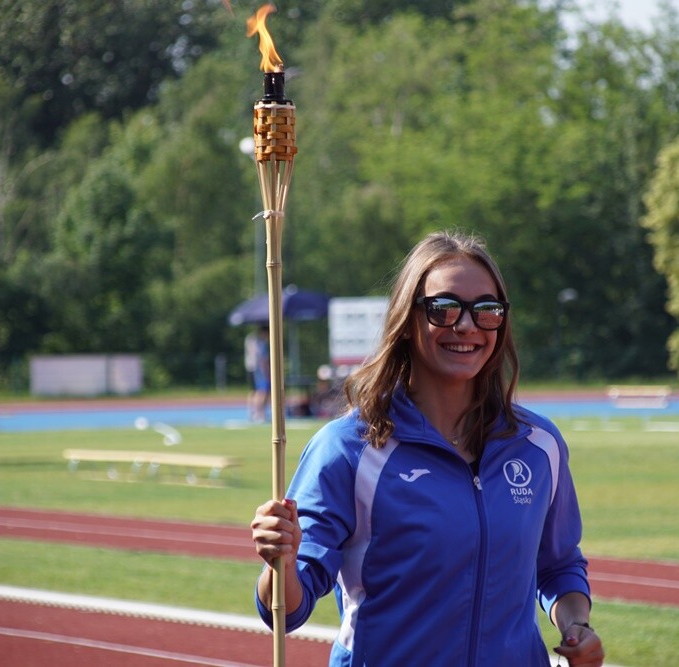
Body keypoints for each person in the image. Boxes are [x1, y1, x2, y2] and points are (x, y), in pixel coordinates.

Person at [250, 231, 604, 666]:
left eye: (487, 310)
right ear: (407, 319)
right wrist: (281, 561)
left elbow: (558, 565)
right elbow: (285, 610)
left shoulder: (538, 444)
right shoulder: (348, 448)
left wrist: (576, 625)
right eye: (444, 307)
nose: (467, 325)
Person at [247, 325, 271, 422]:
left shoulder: (250, 339)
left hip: (251, 368)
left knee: (254, 391)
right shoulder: (260, 342)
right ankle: (259, 414)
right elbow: (262, 359)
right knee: (262, 392)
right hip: (260, 370)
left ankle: (253, 413)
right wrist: (266, 371)